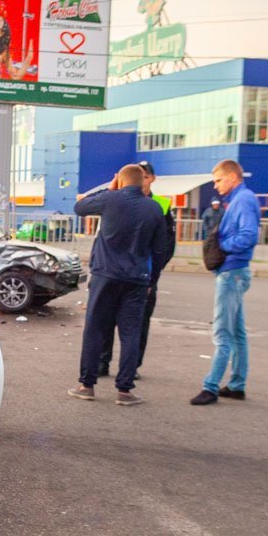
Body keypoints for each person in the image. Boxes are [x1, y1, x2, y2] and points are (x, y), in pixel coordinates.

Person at [68, 164, 168, 406]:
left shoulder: (110, 199)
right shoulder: (155, 208)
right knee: (130, 333)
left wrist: (109, 188)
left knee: (94, 329)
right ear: (141, 182)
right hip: (136, 279)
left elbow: (79, 207)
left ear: (120, 182)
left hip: (105, 275)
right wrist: (151, 280)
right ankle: (124, 390)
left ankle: (87, 384)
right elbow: (160, 248)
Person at [191, 159, 260, 405]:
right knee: (237, 332)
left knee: (222, 332)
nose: (216, 186)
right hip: (236, 270)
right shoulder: (241, 199)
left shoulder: (243, 200)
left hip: (232, 272)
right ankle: (237, 384)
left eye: (218, 180)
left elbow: (249, 236)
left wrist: (222, 246)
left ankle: (210, 387)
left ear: (232, 177)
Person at [97, 161, 175, 376]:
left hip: (144, 273)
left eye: (146, 176)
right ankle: (103, 361)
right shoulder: (118, 199)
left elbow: (166, 245)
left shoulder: (161, 205)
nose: (143, 180)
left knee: (138, 324)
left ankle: (132, 368)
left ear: (151, 179)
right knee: (107, 319)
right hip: (115, 271)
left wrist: (154, 273)